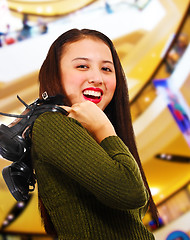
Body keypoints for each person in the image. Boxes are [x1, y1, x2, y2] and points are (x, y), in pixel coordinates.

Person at [31, 28, 158, 239]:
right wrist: (104, 128)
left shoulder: (93, 137)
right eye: (82, 66)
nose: (97, 78)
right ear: (55, 74)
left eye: (107, 69)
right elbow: (130, 192)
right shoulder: (52, 123)